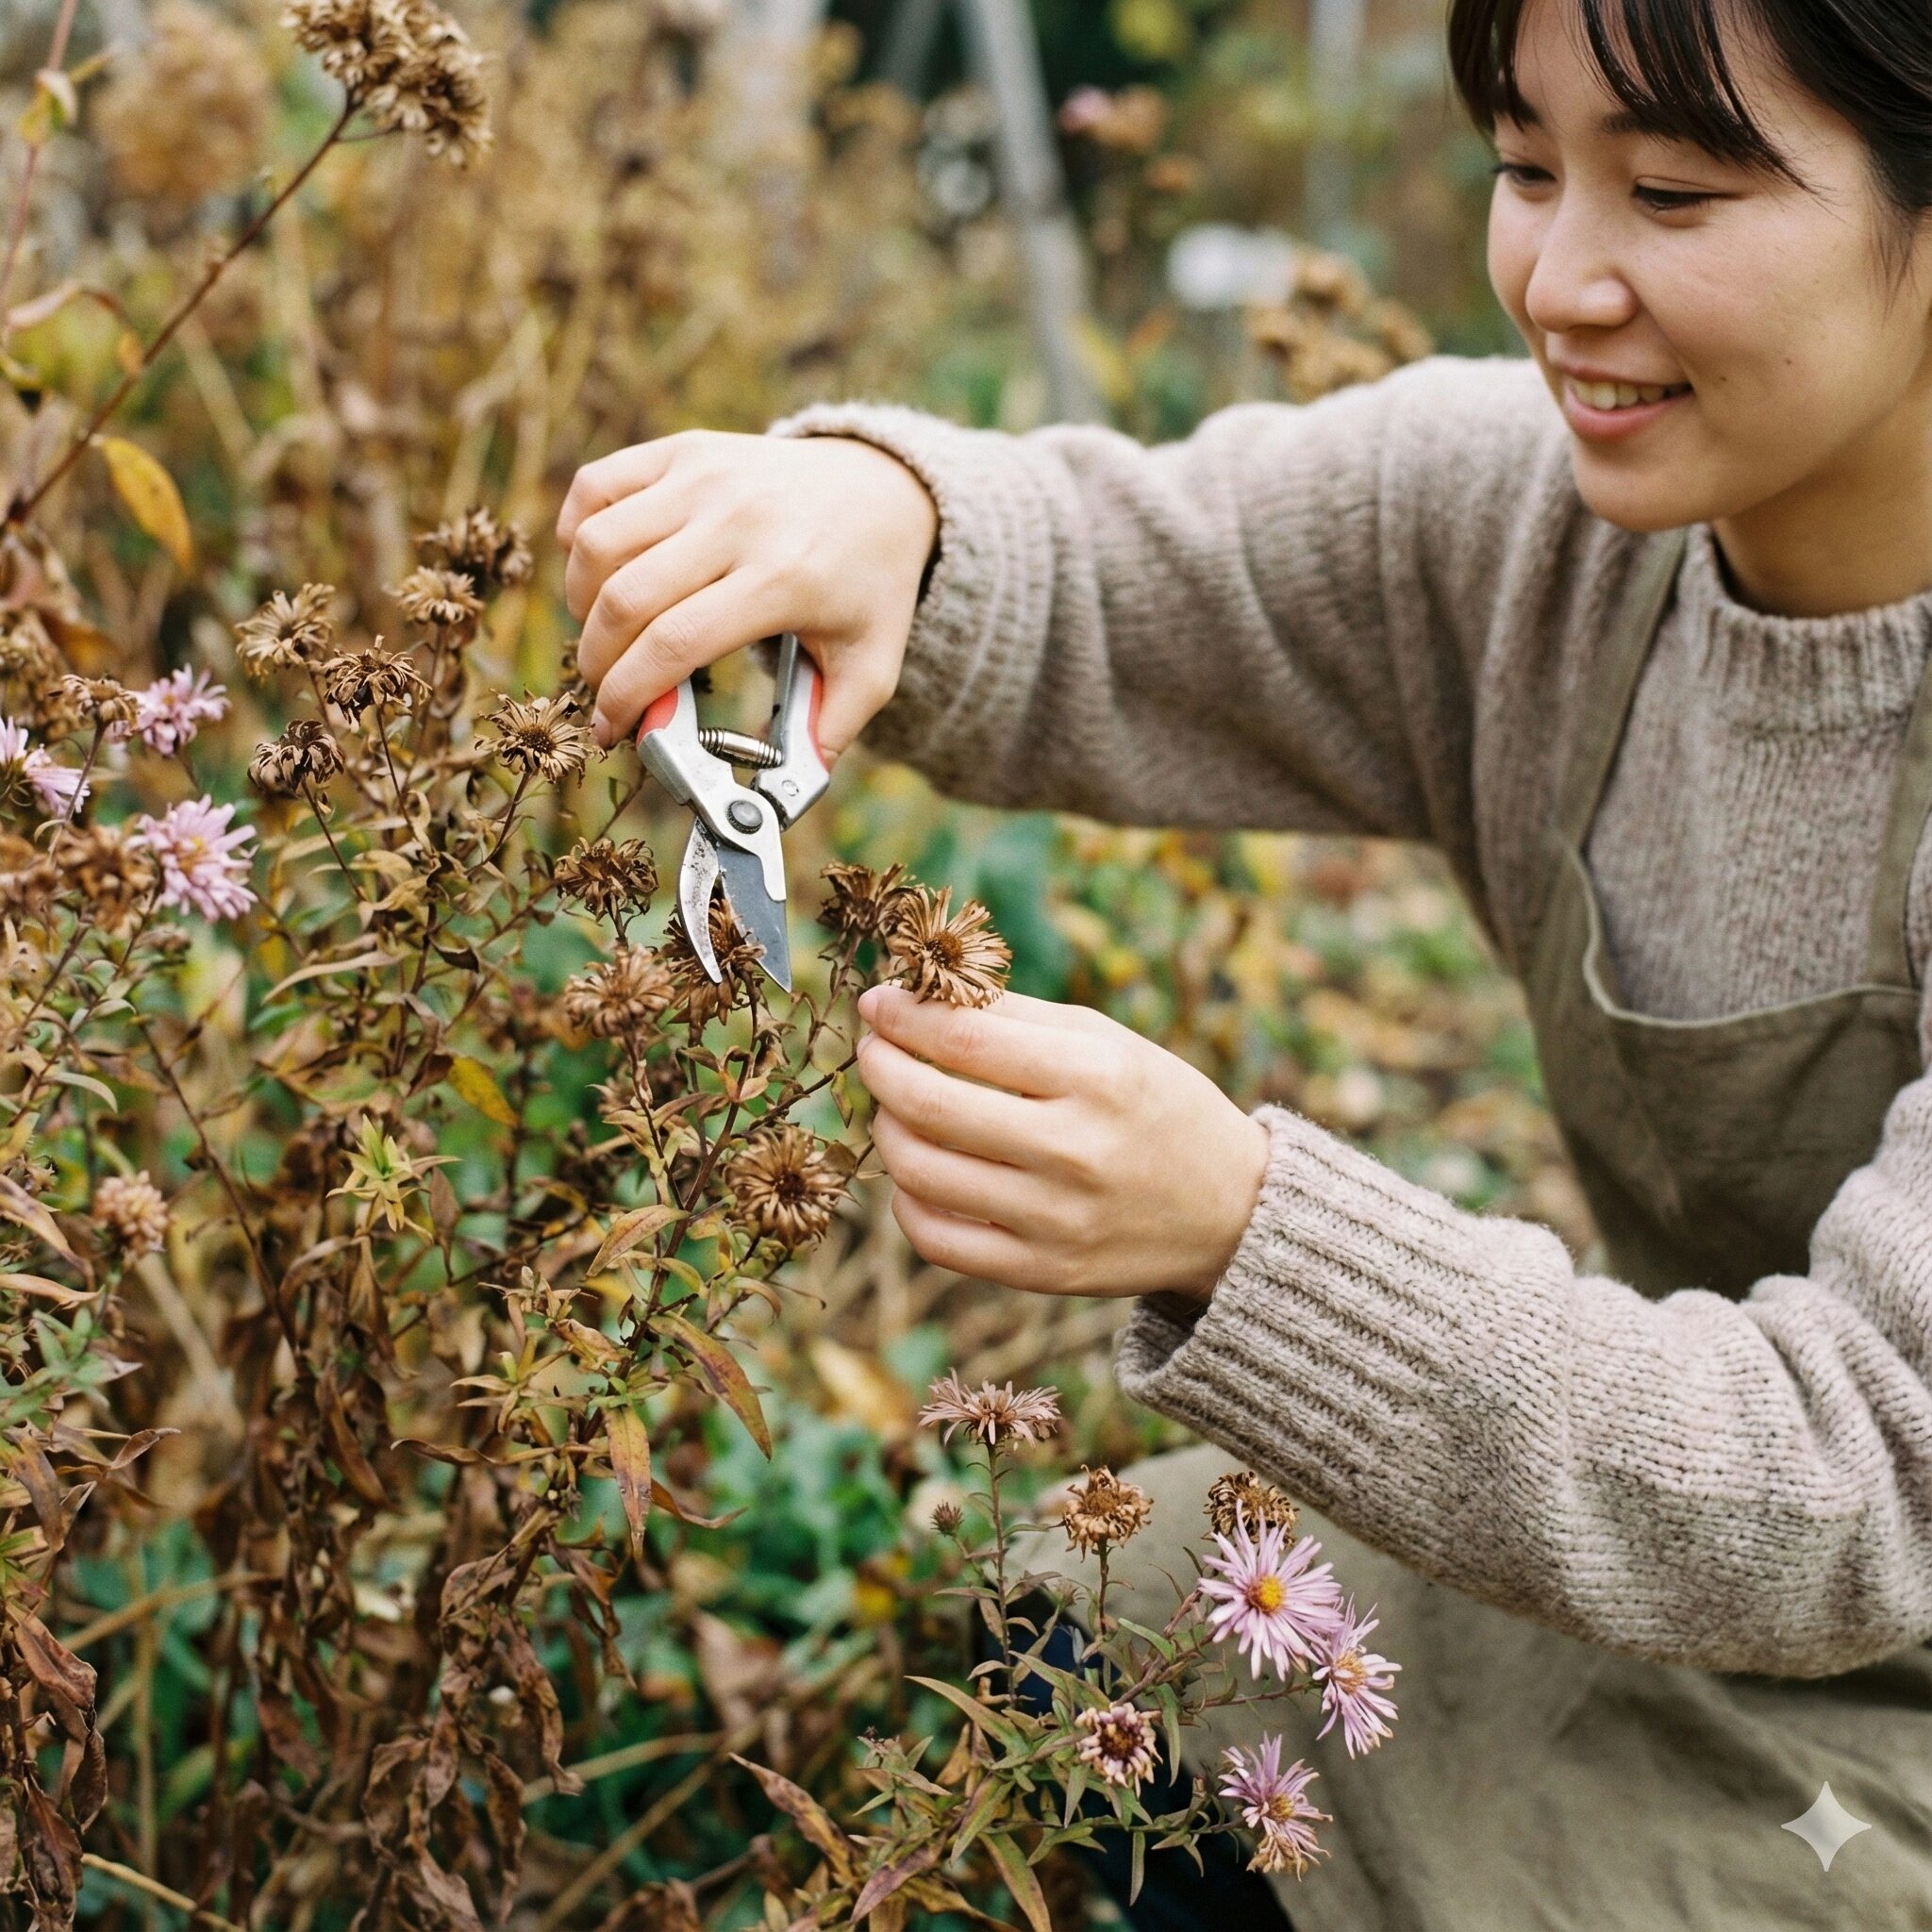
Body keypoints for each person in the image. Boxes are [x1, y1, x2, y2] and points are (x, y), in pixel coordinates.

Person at [558, 0, 1932, 1924]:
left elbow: (1868, 1474)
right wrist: (881, 514)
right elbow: (1135, 568)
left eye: (1677, 190)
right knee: (1125, 1649)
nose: (1557, 276)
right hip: (1684, 1560)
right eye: (1525, 167)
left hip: (1859, 1602)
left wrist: (1246, 1228)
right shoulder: (1539, 528)